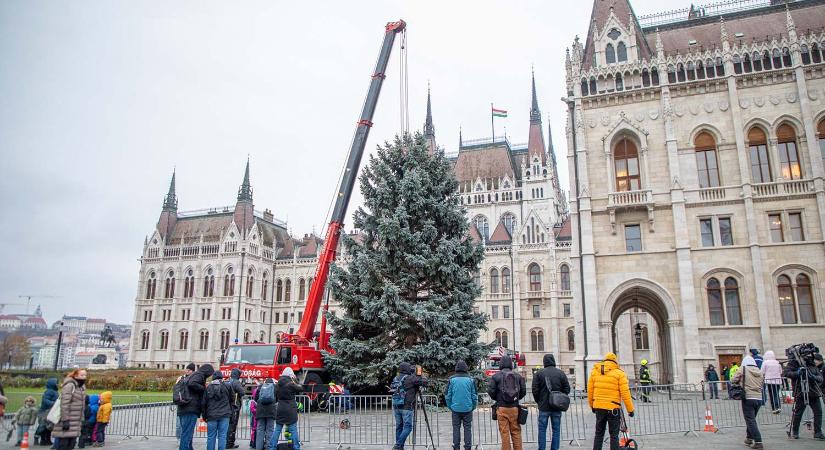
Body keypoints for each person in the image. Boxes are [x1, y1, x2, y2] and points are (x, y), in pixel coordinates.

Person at [588, 352, 635, 450]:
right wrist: (630, 410)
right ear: (615, 361)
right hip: (613, 408)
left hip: (599, 407)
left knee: (599, 434)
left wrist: (592, 405)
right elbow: (625, 393)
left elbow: (590, 390)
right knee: (614, 435)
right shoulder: (619, 373)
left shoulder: (594, 372)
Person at [487, 354, 526, 450]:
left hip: (502, 407)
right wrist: (516, 398)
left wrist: (498, 399)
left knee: (504, 433)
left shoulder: (496, 376)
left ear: (500, 364)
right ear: (511, 364)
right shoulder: (518, 376)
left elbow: (491, 391)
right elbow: (523, 391)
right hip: (514, 408)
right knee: (516, 432)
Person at [532, 353, 570, 450]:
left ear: (544, 362)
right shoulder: (560, 373)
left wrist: (539, 401)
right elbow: (567, 389)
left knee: (542, 430)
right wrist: (560, 397)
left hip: (544, 406)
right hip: (557, 407)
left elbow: (535, 390)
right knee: (556, 430)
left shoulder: (539, 373)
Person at [784, 350, 824, 440]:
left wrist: (814, 377)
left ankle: (818, 432)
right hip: (800, 392)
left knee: (818, 412)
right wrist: (797, 373)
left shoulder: (812, 364)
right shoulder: (794, 363)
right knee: (798, 413)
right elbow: (786, 373)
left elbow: (820, 378)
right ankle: (795, 431)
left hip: (814, 392)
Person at [178, 363, 214, 450]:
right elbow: (192, 384)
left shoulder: (192, 375)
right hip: (190, 408)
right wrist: (204, 389)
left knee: (187, 433)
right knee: (187, 434)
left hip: (184, 408)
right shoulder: (199, 375)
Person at [390, 362, 426, 450]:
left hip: (396, 406)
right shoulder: (410, 378)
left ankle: (400, 447)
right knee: (408, 427)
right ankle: (398, 445)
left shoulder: (396, 378)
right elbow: (424, 382)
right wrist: (420, 374)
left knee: (399, 426)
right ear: (407, 369)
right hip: (406, 406)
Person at [731, 356, 765, 449]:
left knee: (750, 420)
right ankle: (749, 438)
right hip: (759, 398)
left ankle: (758, 441)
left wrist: (739, 382)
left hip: (748, 397)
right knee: (752, 419)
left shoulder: (743, 369)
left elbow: (733, 379)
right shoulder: (759, 371)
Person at [52, 368, 88, 450]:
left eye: (85, 375)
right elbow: (64, 403)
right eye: (82, 375)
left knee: (71, 445)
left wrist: (81, 419)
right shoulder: (70, 385)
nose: (84, 377)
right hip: (67, 420)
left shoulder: (81, 387)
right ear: (75, 375)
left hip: (76, 421)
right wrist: (65, 420)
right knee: (63, 445)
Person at [446, 359, 477, 450]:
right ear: (466, 368)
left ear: (456, 368)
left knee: (456, 428)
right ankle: (468, 447)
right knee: (467, 428)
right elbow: (474, 396)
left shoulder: (451, 380)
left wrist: (450, 406)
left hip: (455, 409)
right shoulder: (471, 380)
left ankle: (456, 447)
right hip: (467, 409)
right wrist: (473, 406)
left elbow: (448, 395)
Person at [271, 367, 304, 450]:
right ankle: (296, 447)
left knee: (277, 430)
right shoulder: (291, 383)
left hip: (280, 408)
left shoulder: (277, 384)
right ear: (290, 375)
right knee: (293, 430)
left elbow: (275, 396)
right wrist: (295, 380)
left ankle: (272, 447)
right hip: (290, 410)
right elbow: (300, 388)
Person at [203, 371, 233, 450]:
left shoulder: (208, 387)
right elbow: (232, 399)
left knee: (211, 436)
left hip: (211, 415)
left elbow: (204, 403)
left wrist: (204, 416)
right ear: (221, 377)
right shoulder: (227, 386)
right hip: (225, 414)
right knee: (222, 436)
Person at [253, 379, 276, 450]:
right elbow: (277, 399)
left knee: (260, 430)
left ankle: (258, 447)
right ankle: (268, 447)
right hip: (271, 411)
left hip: (260, 412)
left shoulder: (260, 387)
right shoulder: (274, 387)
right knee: (270, 430)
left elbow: (256, 398)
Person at [36, 378, 59, 446]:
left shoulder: (54, 391)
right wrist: (55, 403)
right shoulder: (49, 391)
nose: (57, 384)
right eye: (56, 383)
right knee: (44, 426)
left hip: (50, 411)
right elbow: (45, 400)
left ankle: (48, 440)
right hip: (45, 411)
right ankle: (43, 440)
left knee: (49, 427)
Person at [226, 368, 245, 449]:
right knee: (233, 425)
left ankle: (227, 442)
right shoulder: (236, 382)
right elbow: (242, 393)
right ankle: (230, 443)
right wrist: (242, 386)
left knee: (228, 424)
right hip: (235, 406)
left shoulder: (228, 381)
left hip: (228, 406)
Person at [175, 364, 195, 442]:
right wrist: (177, 382)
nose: (186, 371)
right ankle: (179, 438)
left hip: (189, 405)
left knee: (187, 425)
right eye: (186, 370)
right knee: (179, 424)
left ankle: (186, 439)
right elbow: (176, 389)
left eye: (188, 370)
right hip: (181, 404)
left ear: (192, 371)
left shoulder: (194, 379)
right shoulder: (181, 378)